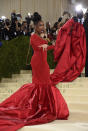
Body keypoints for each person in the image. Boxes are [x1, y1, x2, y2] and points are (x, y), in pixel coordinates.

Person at [0, 12, 69, 131]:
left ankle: (45, 107)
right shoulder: (33, 37)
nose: (42, 27)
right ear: (36, 26)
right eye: (40, 25)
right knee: (40, 84)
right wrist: (50, 44)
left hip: (43, 62)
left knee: (45, 84)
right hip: (37, 63)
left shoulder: (41, 36)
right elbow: (40, 47)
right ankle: (38, 108)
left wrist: (54, 44)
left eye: (43, 25)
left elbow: (47, 47)